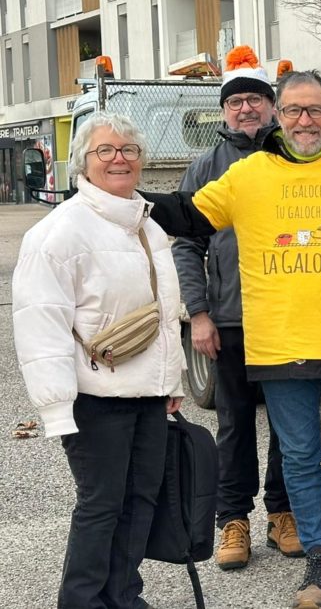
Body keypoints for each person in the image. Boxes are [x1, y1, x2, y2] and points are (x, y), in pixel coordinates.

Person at [140, 70, 321, 608]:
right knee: (300, 460)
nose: (304, 121)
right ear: (279, 115)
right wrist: (121, 190)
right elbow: (187, 215)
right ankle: (320, 562)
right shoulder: (248, 175)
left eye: (314, 110)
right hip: (277, 347)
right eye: (293, 110)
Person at [12, 111, 185, 609]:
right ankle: (83, 601)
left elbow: (164, 312)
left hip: (148, 397)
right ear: (82, 164)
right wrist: (56, 410)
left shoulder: (145, 225)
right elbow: (40, 323)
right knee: (102, 506)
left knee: (139, 503)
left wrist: (170, 381)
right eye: (104, 151)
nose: (118, 159)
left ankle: (123, 595)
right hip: (95, 399)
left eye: (128, 150)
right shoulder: (59, 233)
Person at [172, 45, 300, 571]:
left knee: (291, 425)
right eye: (236, 102)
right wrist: (198, 313)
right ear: (224, 111)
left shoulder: (293, 156)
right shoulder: (206, 166)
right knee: (235, 422)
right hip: (229, 320)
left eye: (256, 100)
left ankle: (282, 512)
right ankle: (233, 518)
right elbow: (185, 243)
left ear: (272, 107)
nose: (246, 109)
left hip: (289, 318)